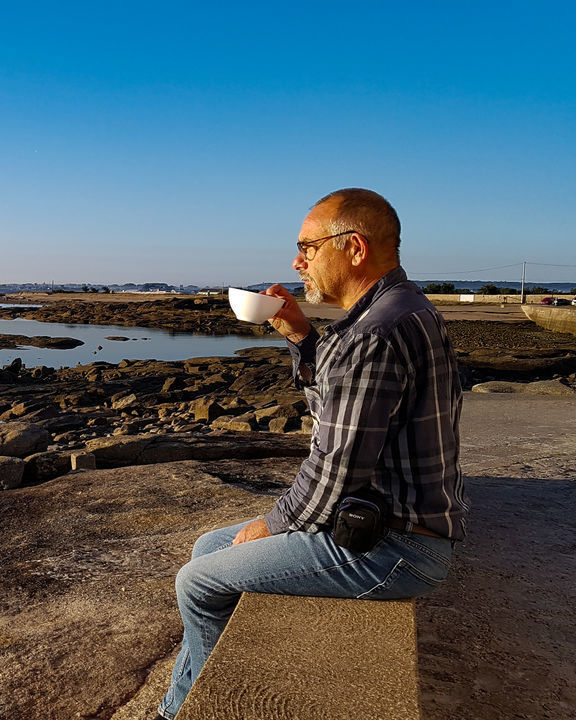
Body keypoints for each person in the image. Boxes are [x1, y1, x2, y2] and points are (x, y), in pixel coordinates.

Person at [154, 188, 469, 720]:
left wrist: (273, 524)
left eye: (307, 247)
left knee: (198, 581)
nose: (297, 262)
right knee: (211, 544)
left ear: (354, 248)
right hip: (395, 523)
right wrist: (302, 336)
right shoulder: (402, 309)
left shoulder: (375, 332)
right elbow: (341, 412)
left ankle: (187, 710)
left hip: (398, 549)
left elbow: (337, 467)